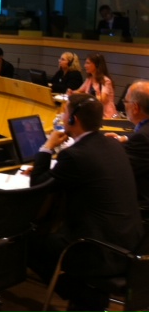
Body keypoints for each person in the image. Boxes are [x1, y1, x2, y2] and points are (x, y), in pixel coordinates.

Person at [28, 94, 143, 311]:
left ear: (74, 119)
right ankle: (86, 295)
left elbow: (38, 186)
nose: (63, 117)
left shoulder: (75, 155)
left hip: (97, 251)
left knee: (27, 242)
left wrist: (47, 147)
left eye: (65, 112)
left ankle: (84, 295)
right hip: (130, 245)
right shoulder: (113, 145)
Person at [105, 80, 149, 211]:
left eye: (126, 101)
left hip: (139, 203)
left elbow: (118, 170)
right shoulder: (143, 133)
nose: (124, 104)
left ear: (135, 108)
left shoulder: (142, 138)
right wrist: (124, 138)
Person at [68, 52, 116, 118]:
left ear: (96, 65)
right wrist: (72, 92)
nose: (85, 66)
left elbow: (103, 99)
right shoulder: (89, 79)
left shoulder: (105, 80)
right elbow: (80, 91)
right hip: (93, 113)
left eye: (88, 63)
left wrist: (85, 97)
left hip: (105, 115)